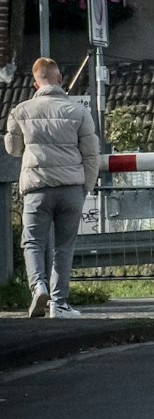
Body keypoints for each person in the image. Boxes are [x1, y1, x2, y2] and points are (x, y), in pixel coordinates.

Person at [6, 58, 101, 318]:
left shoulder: (21, 111)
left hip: (36, 189)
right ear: (60, 79)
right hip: (71, 187)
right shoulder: (79, 112)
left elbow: (13, 149)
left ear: (35, 83)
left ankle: (38, 287)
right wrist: (85, 188)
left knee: (33, 243)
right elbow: (92, 155)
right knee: (64, 246)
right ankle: (59, 304)